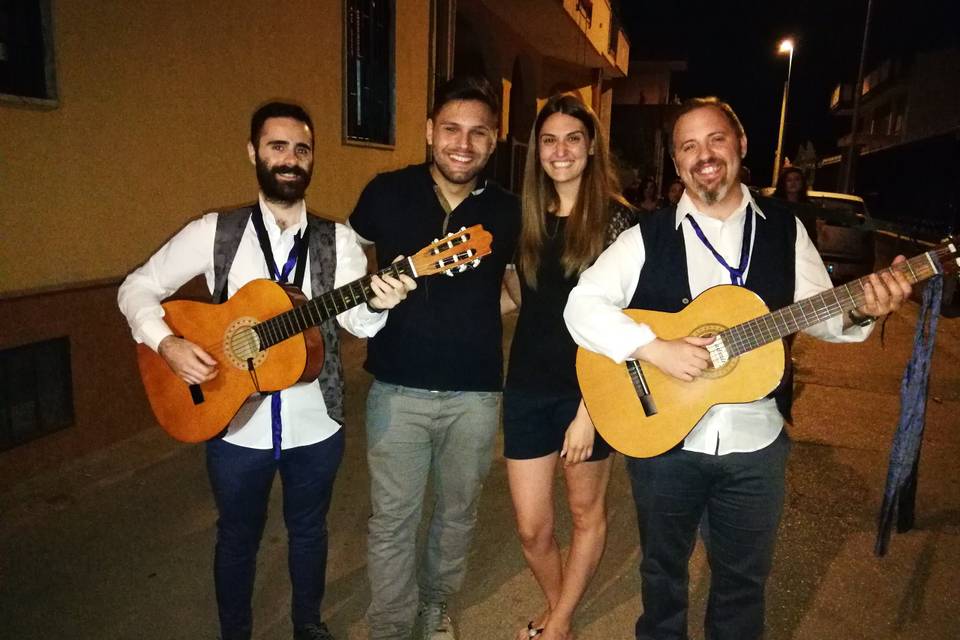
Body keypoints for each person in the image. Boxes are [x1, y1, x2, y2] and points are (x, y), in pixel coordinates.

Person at [563, 97, 911, 640]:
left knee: (743, 584)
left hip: (756, 444)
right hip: (665, 441)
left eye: (716, 139)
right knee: (661, 577)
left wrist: (864, 307)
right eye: (689, 146)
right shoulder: (646, 236)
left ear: (741, 146)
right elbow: (581, 306)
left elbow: (820, 312)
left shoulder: (785, 230)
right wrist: (653, 348)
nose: (705, 155)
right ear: (677, 165)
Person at [117, 102, 415, 640]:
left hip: (315, 421)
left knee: (308, 532)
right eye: (277, 146)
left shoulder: (338, 241)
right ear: (254, 153)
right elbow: (136, 287)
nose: (290, 159)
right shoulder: (216, 232)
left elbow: (359, 324)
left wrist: (381, 301)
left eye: (301, 149)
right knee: (236, 538)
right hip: (231, 418)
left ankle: (308, 626)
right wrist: (165, 344)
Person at [347, 76, 521, 640]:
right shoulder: (385, 192)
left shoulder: (509, 210)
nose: (463, 143)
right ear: (429, 132)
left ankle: (435, 606)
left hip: (475, 392)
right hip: (396, 388)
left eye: (478, 132)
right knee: (393, 520)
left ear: (493, 141)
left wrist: (477, 318)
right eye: (451, 128)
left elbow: (520, 288)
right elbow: (347, 259)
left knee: (456, 514)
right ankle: (391, 626)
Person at [500, 94, 635, 640]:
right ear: (537, 150)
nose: (561, 151)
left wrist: (590, 412)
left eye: (573, 139)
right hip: (528, 385)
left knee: (585, 514)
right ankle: (562, 611)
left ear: (591, 146)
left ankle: (557, 626)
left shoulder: (618, 219)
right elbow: (519, 295)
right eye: (550, 140)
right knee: (533, 528)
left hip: (590, 390)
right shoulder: (524, 217)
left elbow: (628, 319)